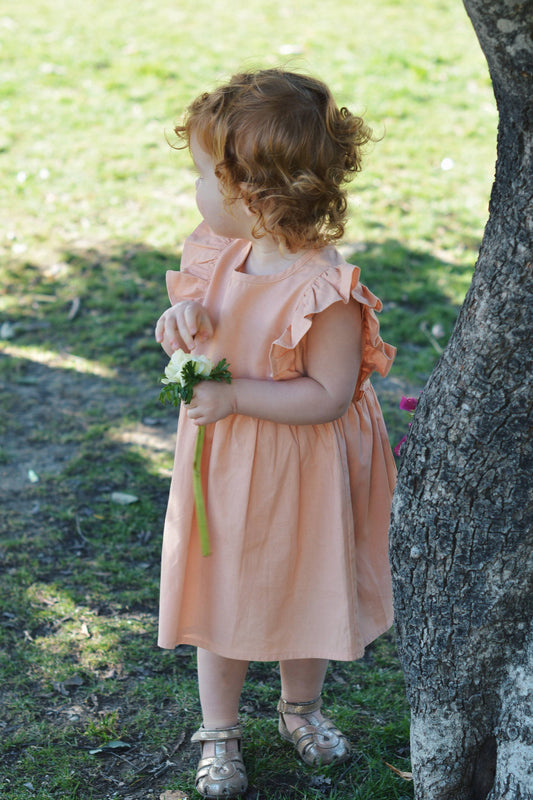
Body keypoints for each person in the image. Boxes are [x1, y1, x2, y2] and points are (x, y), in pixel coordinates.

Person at [155, 69, 396, 799]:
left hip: (299, 466)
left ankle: (300, 709)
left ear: (253, 197)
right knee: (220, 587)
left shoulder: (324, 291)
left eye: (204, 175)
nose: (194, 189)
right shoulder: (222, 252)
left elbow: (326, 397)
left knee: (300, 582)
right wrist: (180, 326)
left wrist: (234, 393)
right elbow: (199, 320)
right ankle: (219, 731)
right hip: (228, 460)